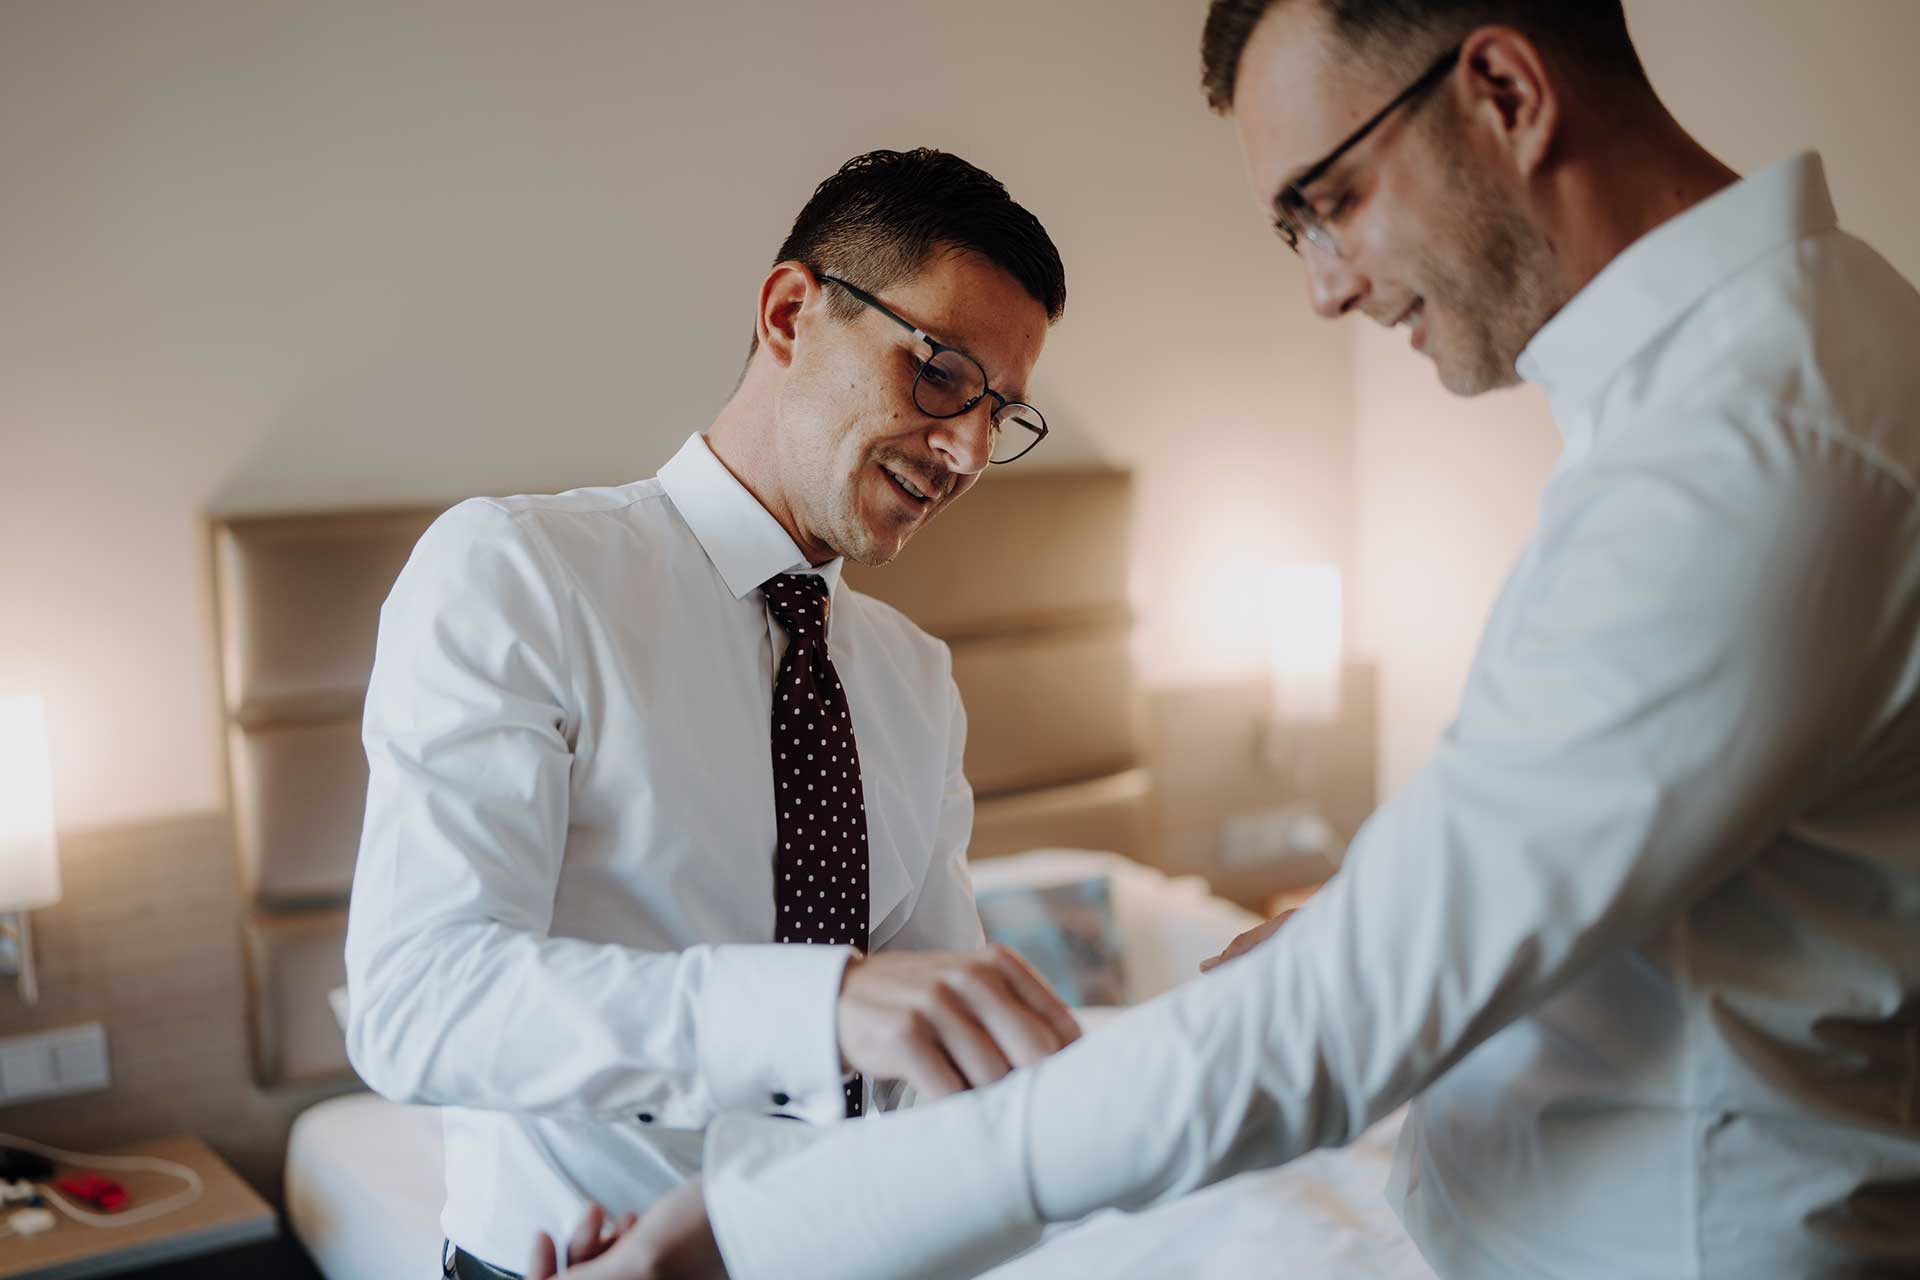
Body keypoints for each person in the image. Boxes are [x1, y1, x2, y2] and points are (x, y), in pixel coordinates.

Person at [535, 1, 1920, 1276]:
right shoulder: (1763, 389)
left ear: (1502, 90)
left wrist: (736, 1233)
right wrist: (1373, 912)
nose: (1328, 287)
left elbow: (1331, 1027)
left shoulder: (1757, 446)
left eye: (1331, 202)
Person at [342, 146, 1085, 1279]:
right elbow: (418, 1000)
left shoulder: (913, 679)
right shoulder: (520, 574)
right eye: (940, 373)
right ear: (791, 312)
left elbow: (941, 1056)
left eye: (1003, 413)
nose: (970, 451)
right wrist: (820, 1003)